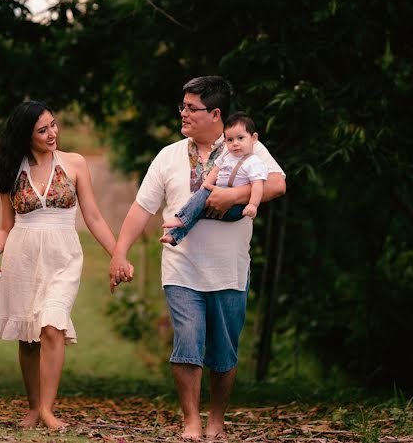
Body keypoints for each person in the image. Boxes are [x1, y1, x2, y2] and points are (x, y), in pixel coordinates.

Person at [108, 76, 286, 440]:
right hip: (181, 267)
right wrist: (119, 253)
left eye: (192, 108)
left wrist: (235, 197)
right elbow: (143, 208)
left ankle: (216, 421)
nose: (183, 114)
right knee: (187, 341)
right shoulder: (169, 156)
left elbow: (279, 183)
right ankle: (191, 420)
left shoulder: (244, 145)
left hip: (230, 269)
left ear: (216, 113)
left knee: (224, 351)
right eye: (183, 106)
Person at [0, 100, 117, 430]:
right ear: (25, 135)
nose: (52, 133)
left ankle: (46, 409)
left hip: (63, 257)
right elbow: (5, 226)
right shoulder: (10, 170)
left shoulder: (74, 163)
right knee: (29, 337)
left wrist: (118, 254)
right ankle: (33, 408)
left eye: (53, 125)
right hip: (23, 257)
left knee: (52, 325)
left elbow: (94, 216)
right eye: (42, 130)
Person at [159, 112, 268, 245]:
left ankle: (182, 218)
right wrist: (204, 187)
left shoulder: (254, 162)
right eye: (230, 140)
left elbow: (257, 185)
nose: (235, 144)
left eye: (240, 138)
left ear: (254, 138)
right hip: (216, 193)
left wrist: (253, 205)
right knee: (196, 212)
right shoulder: (227, 156)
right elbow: (215, 171)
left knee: (194, 210)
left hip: (237, 207)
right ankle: (175, 236)